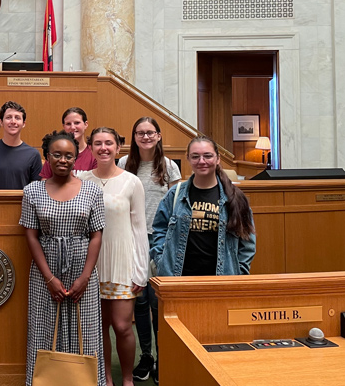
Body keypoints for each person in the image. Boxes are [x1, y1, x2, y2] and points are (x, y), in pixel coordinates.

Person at [20, 130, 106, 386]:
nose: (63, 160)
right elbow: (31, 236)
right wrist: (49, 278)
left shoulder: (91, 190)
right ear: (47, 156)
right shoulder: (32, 190)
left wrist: (85, 278)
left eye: (69, 155)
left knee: (86, 333)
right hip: (45, 272)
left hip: (83, 270)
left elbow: (97, 235)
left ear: (76, 158)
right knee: (43, 331)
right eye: (56, 154)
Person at [79, 127, 148, 386]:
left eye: (109, 143)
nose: (104, 148)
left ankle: (127, 379)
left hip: (122, 263)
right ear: (91, 147)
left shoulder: (132, 181)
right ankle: (106, 379)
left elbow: (139, 228)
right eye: (98, 143)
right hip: (91, 265)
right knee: (99, 329)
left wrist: (141, 271)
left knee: (122, 326)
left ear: (118, 147)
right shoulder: (82, 180)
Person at [117, 117, 181, 384]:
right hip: (132, 239)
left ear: (158, 135)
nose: (145, 137)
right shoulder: (123, 164)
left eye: (150, 132)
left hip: (159, 240)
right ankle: (147, 357)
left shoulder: (169, 166)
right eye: (140, 133)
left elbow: (178, 204)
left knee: (158, 301)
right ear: (133, 136)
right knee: (139, 302)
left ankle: (164, 357)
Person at [150, 135, 256, 276]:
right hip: (178, 279)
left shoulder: (235, 197)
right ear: (188, 158)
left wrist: (238, 272)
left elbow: (247, 242)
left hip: (222, 281)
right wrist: (161, 261)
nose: (201, 161)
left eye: (207, 156)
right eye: (195, 156)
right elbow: (159, 230)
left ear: (218, 159)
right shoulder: (175, 194)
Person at [0, 101, 42, 189]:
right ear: (1, 122)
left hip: (22, 203)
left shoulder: (33, 154)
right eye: (8, 117)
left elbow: (36, 191)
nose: (13, 121)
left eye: (17, 118)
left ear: (23, 124)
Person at [39, 107, 97, 179]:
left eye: (77, 123)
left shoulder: (94, 153)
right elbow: (45, 181)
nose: (72, 127)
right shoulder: (54, 153)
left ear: (86, 124)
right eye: (68, 124)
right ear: (63, 126)